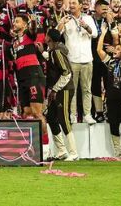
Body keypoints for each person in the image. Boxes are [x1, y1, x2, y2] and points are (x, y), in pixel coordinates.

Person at [97, 25, 121, 159]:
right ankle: (117, 153)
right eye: (115, 48)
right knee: (113, 124)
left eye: (118, 49)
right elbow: (98, 50)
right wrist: (103, 33)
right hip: (111, 98)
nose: (116, 50)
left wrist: (120, 35)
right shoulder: (110, 62)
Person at [58, 0, 98, 124]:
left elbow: (95, 34)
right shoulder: (66, 19)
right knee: (72, 90)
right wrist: (61, 23)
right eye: (70, 3)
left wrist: (86, 26)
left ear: (80, 5)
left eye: (74, 3)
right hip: (72, 60)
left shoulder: (88, 18)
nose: (71, 5)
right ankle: (73, 115)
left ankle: (87, 115)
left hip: (87, 59)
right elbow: (56, 35)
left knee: (87, 89)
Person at [10, 13, 47, 143]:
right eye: (14, 21)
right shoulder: (14, 42)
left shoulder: (29, 35)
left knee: (37, 113)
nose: (14, 23)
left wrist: (33, 22)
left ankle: (45, 146)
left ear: (25, 24)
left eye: (17, 21)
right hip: (22, 80)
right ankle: (33, 144)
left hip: (34, 77)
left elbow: (33, 29)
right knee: (26, 113)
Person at [44, 29, 77, 161]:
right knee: (51, 117)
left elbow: (66, 72)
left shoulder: (57, 51)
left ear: (49, 38)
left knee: (64, 118)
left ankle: (73, 152)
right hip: (58, 89)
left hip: (64, 89)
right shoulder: (54, 51)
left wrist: (55, 89)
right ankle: (62, 150)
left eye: (46, 35)